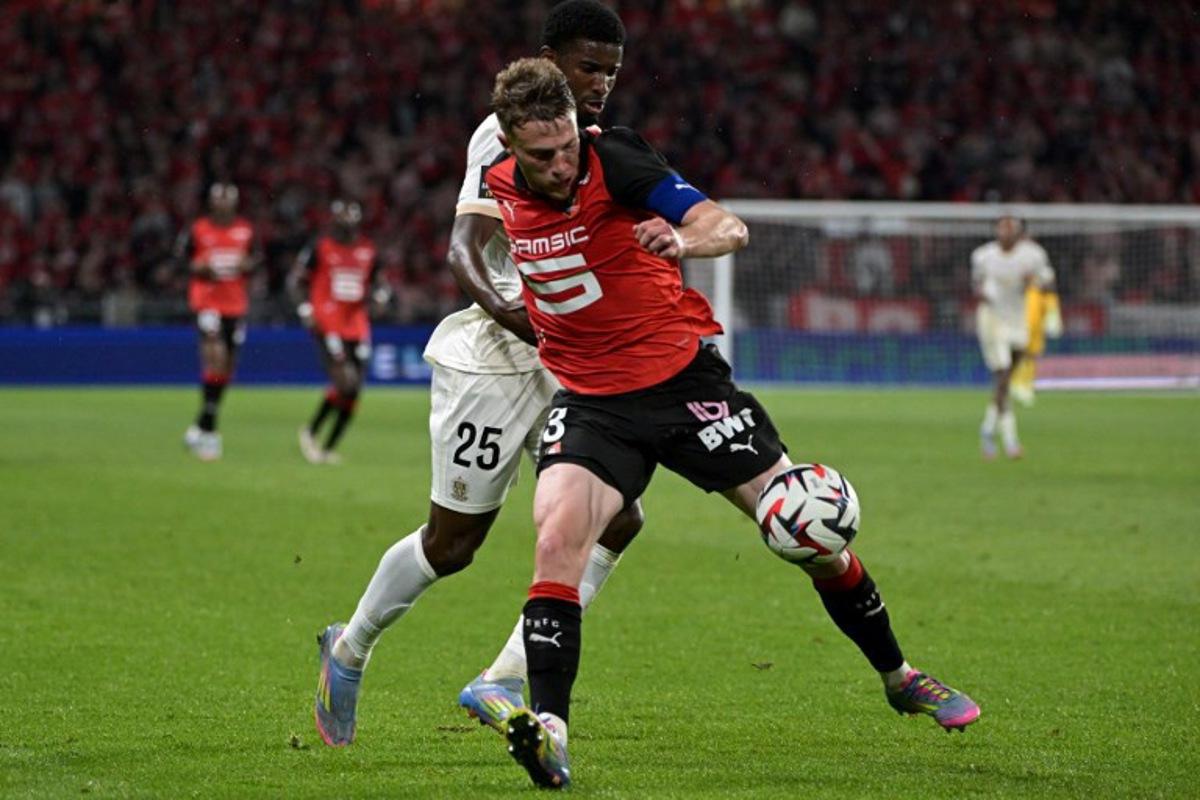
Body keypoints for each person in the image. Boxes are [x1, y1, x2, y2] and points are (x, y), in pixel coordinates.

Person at [482, 58, 980, 790]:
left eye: (565, 149)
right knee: (556, 538)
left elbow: (726, 224)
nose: (559, 167)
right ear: (508, 146)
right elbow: (473, 235)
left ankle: (901, 676)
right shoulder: (494, 181)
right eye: (541, 156)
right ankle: (551, 730)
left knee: (806, 533)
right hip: (593, 404)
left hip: (685, 386)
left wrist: (684, 242)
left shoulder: (615, 158)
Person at [313, 0, 644, 748]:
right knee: (453, 544)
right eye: (588, 67)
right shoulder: (500, 137)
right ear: (550, 58)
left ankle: (500, 677)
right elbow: (464, 246)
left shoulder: (593, 143)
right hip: (493, 359)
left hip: (568, 360)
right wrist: (512, 312)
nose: (601, 83)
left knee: (618, 515)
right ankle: (349, 648)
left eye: (612, 72)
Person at [290, 199, 387, 464]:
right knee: (345, 380)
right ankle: (311, 432)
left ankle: (328, 446)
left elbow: (380, 283)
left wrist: (381, 296)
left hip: (356, 324)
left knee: (354, 388)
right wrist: (305, 309)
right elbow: (296, 280)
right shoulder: (320, 248)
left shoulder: (368, 250)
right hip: (327, 322)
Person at [178, 183, 258, 461]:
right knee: (215, 356)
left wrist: (248, 266)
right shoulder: (198, 229)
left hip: (234, 304)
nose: (222, 205)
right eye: (218, 200)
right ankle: (211, 435)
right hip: (207, 302)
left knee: (227, 369)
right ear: (211, 203)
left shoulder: (246, 230)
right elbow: (182, 259)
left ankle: (199, 425)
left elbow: (255, 260)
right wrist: (197, 269)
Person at [971, 216, 1057, 456]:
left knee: (1006, 379)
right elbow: (975, 285)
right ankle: (1010, 440)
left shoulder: (1033, 256)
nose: (1005, 233)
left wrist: (1035, 282)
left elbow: (1049, 284)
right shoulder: (983, 256)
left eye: (1011, 229)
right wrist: (982, 294)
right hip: (992, 318)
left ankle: (987, 428)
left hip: (1018, 319)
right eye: (1001, 228)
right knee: (1003, 373)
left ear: (1019, 234)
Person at [1009, 280, 1063, 406]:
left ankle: (1025, 384)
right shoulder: (1025, 292)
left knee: (1031, 356)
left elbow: (1051, 309)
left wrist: (1053, 321)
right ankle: (1016, 383)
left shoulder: (1044, 296)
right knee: (1020, 355)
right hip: (1021, 328)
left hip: (1036, 330)